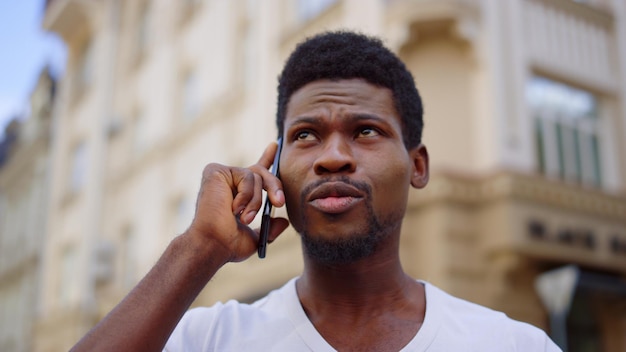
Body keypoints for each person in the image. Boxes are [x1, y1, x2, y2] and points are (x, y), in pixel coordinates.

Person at [72, 31, 561, 352]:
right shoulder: (209, 339)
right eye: (305, 135)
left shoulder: (511, 344)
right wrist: (199, 248)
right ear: (275, 165)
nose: (332, 156)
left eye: (366, 130)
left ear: (417, 164)